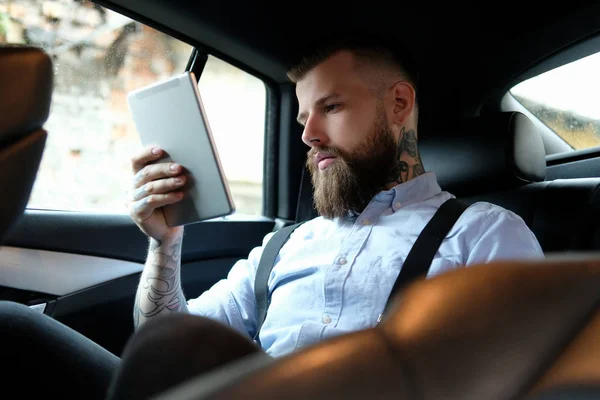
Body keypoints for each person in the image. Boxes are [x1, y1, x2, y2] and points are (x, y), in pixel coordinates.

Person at [1, 35, 544, 400]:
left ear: (399, 104)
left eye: (331, 108)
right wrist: (163, 243)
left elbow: (527, 380)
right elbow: (161, 345)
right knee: (14, 327)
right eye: (305, 116)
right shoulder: (284, 247)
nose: (308, 135)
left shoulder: (484, 233)